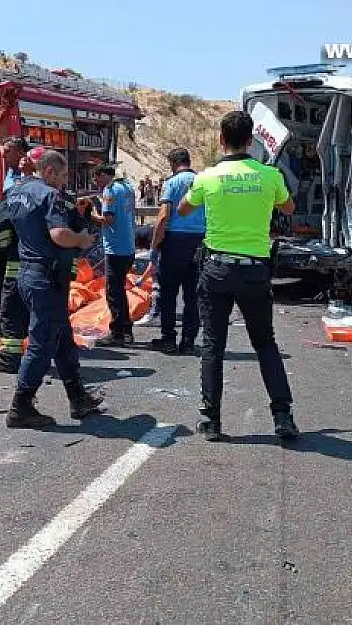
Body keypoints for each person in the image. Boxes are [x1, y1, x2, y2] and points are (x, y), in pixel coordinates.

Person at [177, 111, 299, 443]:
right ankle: (283, 416)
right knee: (265, 343)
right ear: (251, 140)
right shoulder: (269, 175)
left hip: (216, 269)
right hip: (255, 271)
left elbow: (183, 210)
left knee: (213, 346)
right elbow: (288, 209)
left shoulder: (208, 177)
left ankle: (211, 420)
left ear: (221, 139)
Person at [5, 150, 103, 428]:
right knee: (42, 343)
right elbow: (59, 235)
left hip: (29, 273)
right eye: (61, 175)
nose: (63, 182)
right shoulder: (50, 196)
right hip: (46, 278)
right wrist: (81, 240)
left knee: (62, 340)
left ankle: (77, 396)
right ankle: (21, 405)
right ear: (49, 171)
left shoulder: (16, 191)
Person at [0, 147, 45, 372]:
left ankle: (10, 359)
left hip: (16, 264)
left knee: (12, 311)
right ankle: (42, 354)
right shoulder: (57, 196)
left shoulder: (15, 193)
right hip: (45, 267)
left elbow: (2, 230)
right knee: (43, 313)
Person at [150, 147, 203, 355]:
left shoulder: (172, 183)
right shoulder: (202, 182)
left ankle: (168, 338)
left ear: (172, 164)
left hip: (175, 241)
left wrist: (155, 245)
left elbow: (163, 216)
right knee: (192, 295)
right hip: (198, 241)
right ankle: (188, 341)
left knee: (169, 293)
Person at [91, 164, 137, 346]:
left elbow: (107, 219)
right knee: (120, 289)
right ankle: (125, 330)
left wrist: (91, 213)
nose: (96, 182)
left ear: (104, 175)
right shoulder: (128, 187)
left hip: (115, 247)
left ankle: (118, 331)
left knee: (113, 291)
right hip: (129, 245)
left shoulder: (109, 191)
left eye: (97, 177)